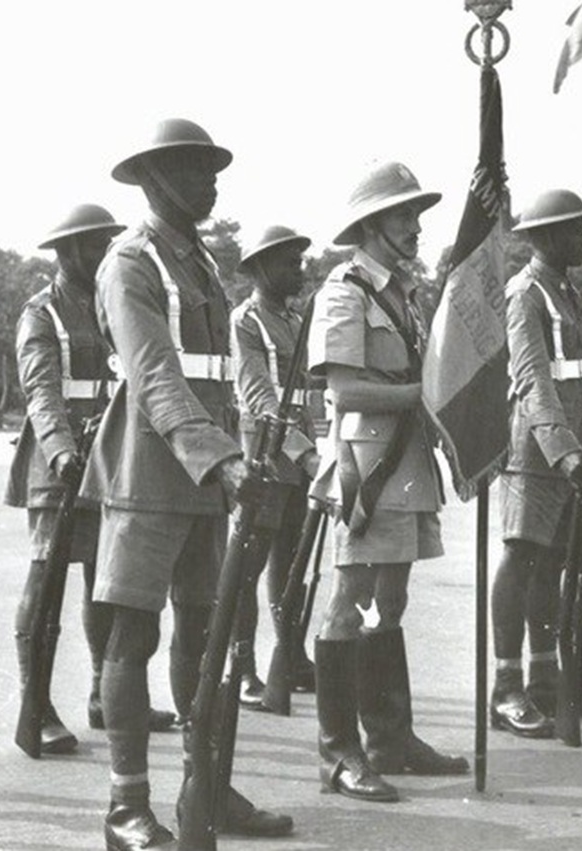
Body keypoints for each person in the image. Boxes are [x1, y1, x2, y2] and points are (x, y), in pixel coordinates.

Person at [80, 118, 292, 849]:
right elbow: (154, 378)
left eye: (211, 168)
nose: (209, 181)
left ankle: (205, 784)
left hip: (208, 475)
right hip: (148, 472)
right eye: (193, 169)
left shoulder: (200, 262)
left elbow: (225, 380)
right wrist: (224, 460)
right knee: (132, 636)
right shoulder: (129, 264)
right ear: (153, 179)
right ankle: (125, 806)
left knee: (204, 635)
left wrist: (243, 455)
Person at [307, 161, 468, 804]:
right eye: (404, 215)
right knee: (348, 604)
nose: (416, 226)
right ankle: (338, 754)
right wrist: (422, 395)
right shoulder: (343, 292)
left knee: (390, 602)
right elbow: (343, 390)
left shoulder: (404, 292)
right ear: (370, 224)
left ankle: (389, 738)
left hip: (405, 463)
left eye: (417, 215)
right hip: (365, 468)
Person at [4, 203, 176, 756]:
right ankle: (37, 706)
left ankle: (106, 695)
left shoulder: (113, 302)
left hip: (108, 462)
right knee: (46, 587)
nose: (104, 252)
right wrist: (58, 452)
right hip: (57, 468)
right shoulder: (42, 313)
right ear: (66, 251)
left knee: (105, 583)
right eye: (93, 245)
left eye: (108, 242)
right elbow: (41, 394)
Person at [490, 188, 582, 739]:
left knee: (553, 566)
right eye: (573, 230)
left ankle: (545, 680)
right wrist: (563, 450)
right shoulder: (526, 293)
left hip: (568, 450)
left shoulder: (564, 291)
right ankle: (506, 688)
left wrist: (579, 445)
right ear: (543, 237)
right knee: (521, 560)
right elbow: (532, 379)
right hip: (534, 452)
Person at [230, 225, 321, 707]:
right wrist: (303, 449)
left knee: (293, 561)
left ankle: (291, 654)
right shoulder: (246, 321)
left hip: (299, 455)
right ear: (262, 268)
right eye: (290, 263)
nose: (299, 270)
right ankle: (241, 665)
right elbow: (261, 397)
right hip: (263, 453)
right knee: (250, 563)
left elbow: (312, 392)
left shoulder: (297, 319)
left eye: (300, 261)